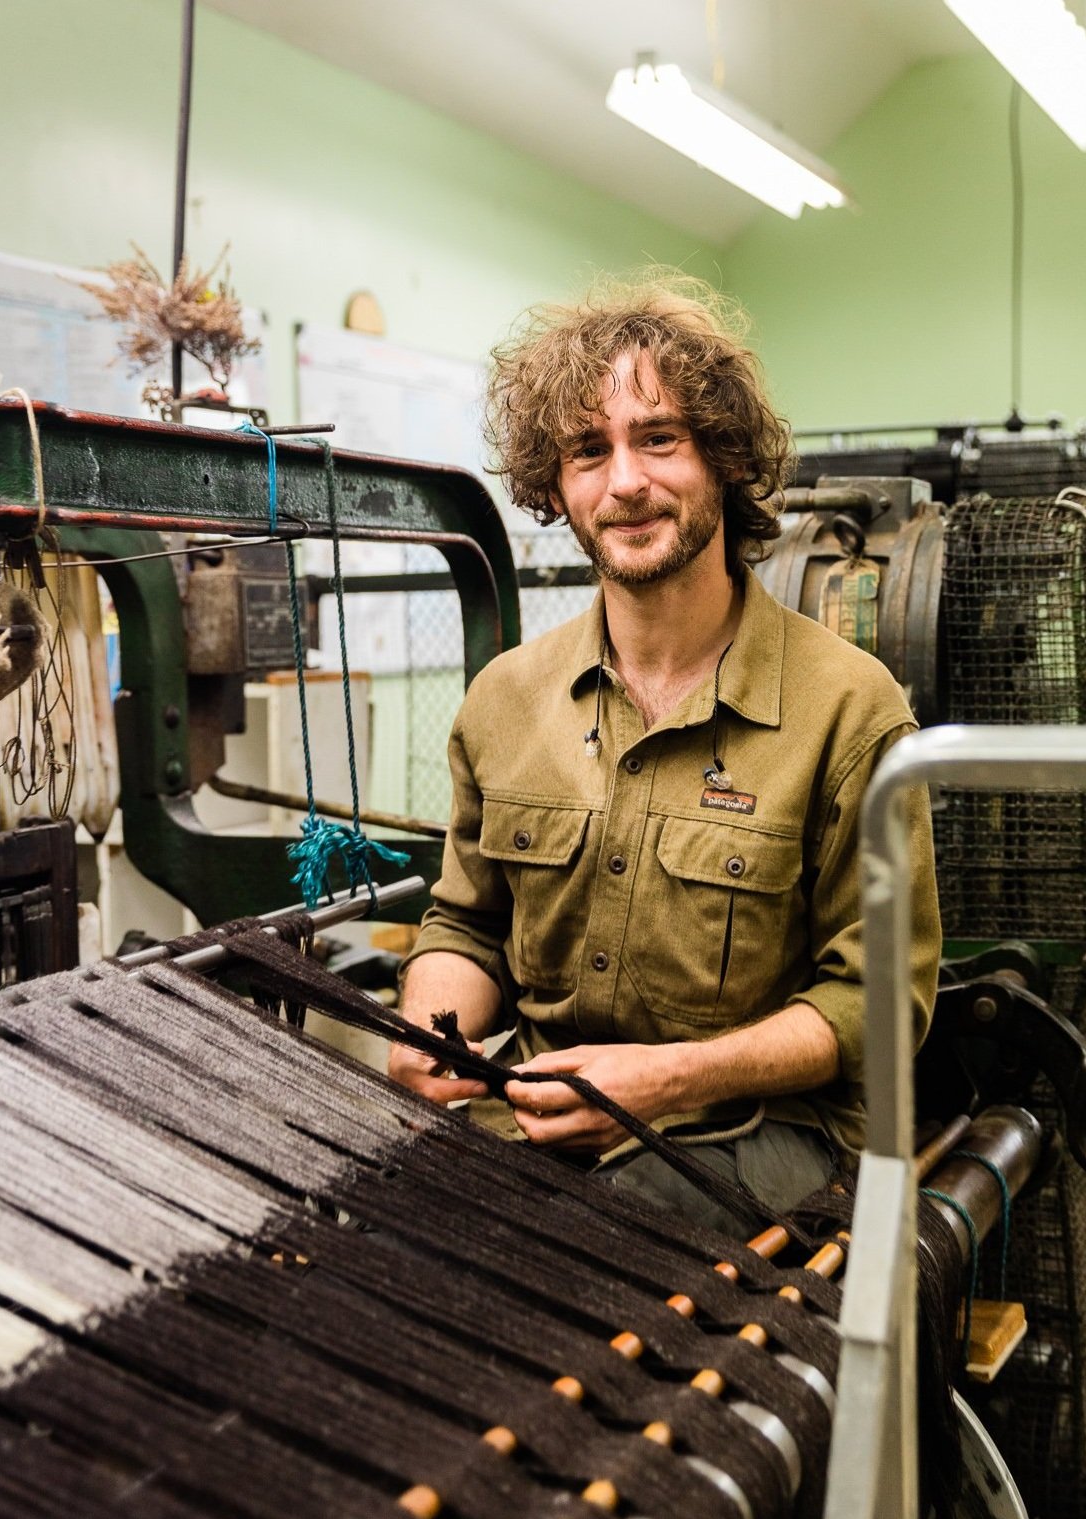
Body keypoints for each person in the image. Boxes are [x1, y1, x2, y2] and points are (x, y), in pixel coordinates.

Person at [388, 275, 940, 1234]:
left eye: (659, 438)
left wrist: (664, 1076)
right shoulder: (505, 702)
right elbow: (468, 927)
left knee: (575, 1245)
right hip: (540, 1124)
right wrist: (434, 1025)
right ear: (554, 488)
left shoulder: (849, 711)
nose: (625, 482)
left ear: (723, 459)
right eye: (587, 452)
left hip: (759, 1134)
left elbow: (877, 1004)